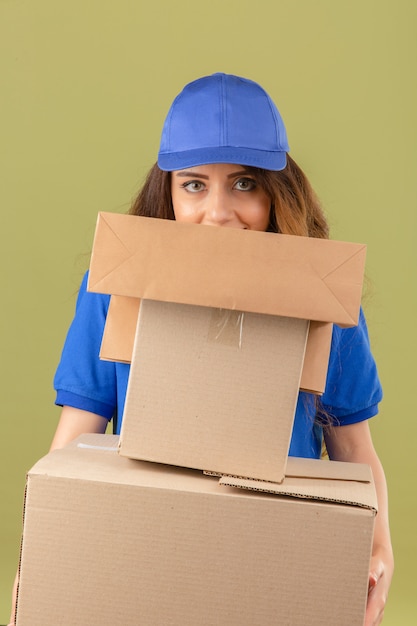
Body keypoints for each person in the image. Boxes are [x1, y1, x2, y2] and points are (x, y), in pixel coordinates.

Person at [9, 73, 393, 626]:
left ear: (277, 192)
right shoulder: (116, 286)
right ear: (166, 191)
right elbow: (77, 435)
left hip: (283, 551)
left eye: (244, 184)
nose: (218, 212)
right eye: (194, 185)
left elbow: (355, 448)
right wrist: (40, 548)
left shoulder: (324, 298)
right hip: (147, 549)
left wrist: (381, 547)